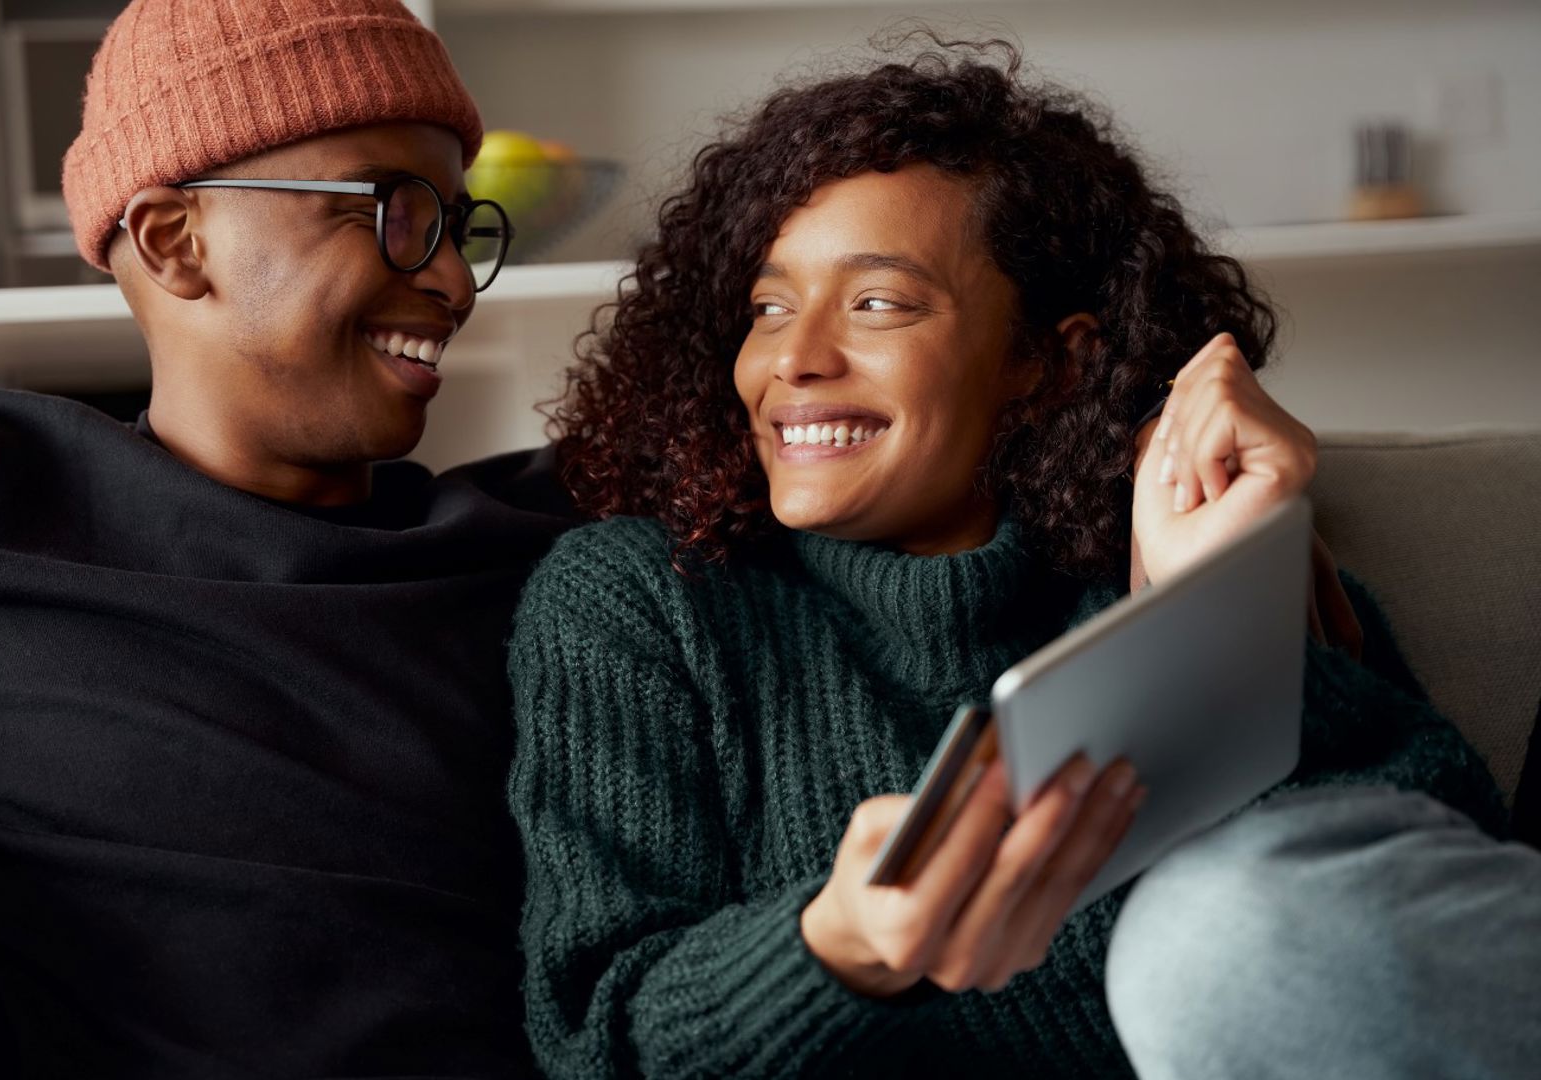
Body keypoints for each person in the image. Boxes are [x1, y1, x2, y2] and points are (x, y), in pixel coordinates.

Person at [507, 35, 1539, 1079]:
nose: (794, 360)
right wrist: (836, 948)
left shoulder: (1156, 565)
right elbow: (598, 1036)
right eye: (767, 308)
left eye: (877, 304)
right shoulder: (643, 601)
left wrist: (1216, 597)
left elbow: (1450, 933)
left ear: (1046, 362)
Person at [0, 2, 571, 1075]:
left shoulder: (540, 536)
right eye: (398, 211)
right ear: (175, 241)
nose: (449, 282)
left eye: (456, 225)